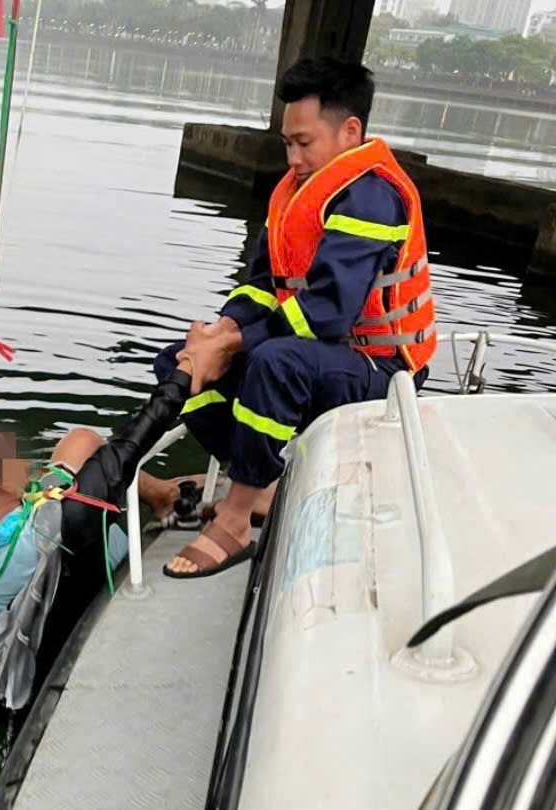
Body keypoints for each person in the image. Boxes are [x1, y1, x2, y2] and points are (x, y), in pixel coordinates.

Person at [152, 56, 436, 579]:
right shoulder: (295, 194)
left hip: (381, 368)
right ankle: (260, 482)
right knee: (179, 360)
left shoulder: (371, 196)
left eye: (304, 143)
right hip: (323, 355)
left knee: (277, 363)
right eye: (288, 143)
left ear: (350, 131)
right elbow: (263, 286)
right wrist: (219, 333)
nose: (293, 156)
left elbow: (326, 314)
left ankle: (236, 519)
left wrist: (234, 348)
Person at [0, 354, 223, 733]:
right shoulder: (52, 526)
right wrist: (187, 370)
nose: (14, 444)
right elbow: (132, 440)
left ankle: (162, 495)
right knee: (89, 445)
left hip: (15, 626)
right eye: (5, 447)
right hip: (90, 588)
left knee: (78, 446)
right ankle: (164, 498)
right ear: (1, 482)